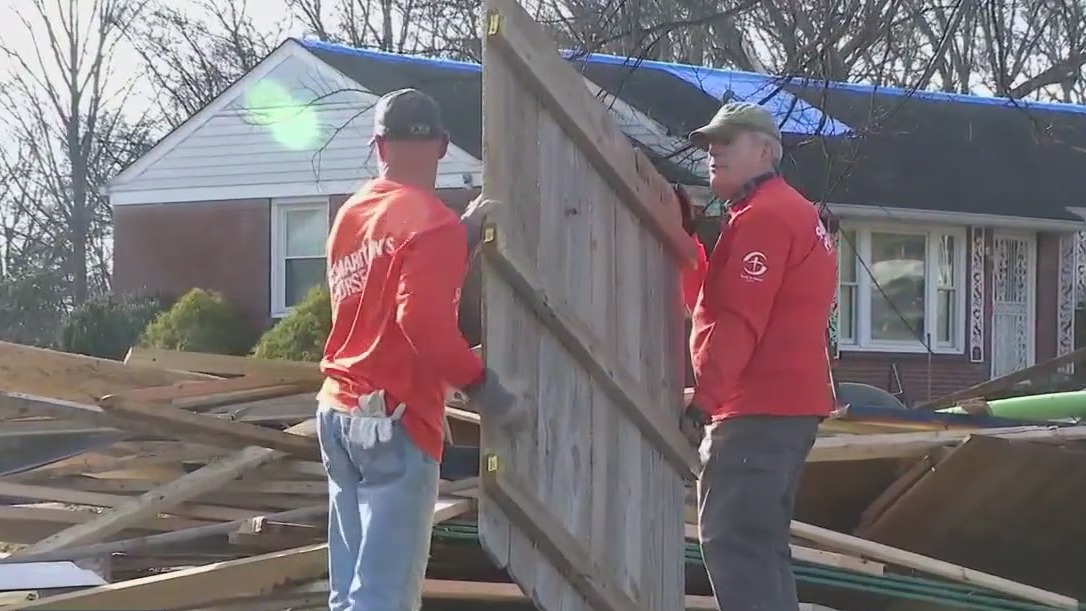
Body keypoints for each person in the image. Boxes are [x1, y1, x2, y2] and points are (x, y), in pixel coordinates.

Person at [316, 87, 525, 611]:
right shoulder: (431, 223)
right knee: (385, 597)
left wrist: (461, 238)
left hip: (338, 411)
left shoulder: (351, 215)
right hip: (395, 419)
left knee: (351, 591)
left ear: (379, 147)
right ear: (443, 146)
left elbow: (378, 294)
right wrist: (483, 387)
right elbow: (422, 323)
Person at [676, 102, 839, 611]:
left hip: (759, 410)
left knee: (733, 543)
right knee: (762, 550)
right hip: (784, 408)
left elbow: (740, 322)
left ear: (765, 150)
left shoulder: (765, 217)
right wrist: (686, 248)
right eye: (710, 143)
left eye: (729, 139)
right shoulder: (786, 211)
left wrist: (704, 403)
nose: (714, 150)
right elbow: (717, 301)